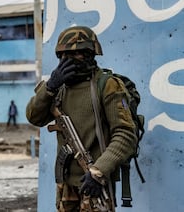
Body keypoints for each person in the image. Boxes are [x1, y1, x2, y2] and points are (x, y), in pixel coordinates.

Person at [26, 26, 137, 211]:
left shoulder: (107, 85)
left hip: (94, 182)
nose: (67, 59)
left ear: (89, 54)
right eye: (63, 55)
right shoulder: (59, 86)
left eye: (76, 54)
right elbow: (33, 117)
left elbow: (125, 134)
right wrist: (50, 87)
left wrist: (98, 172)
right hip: (66, 184)